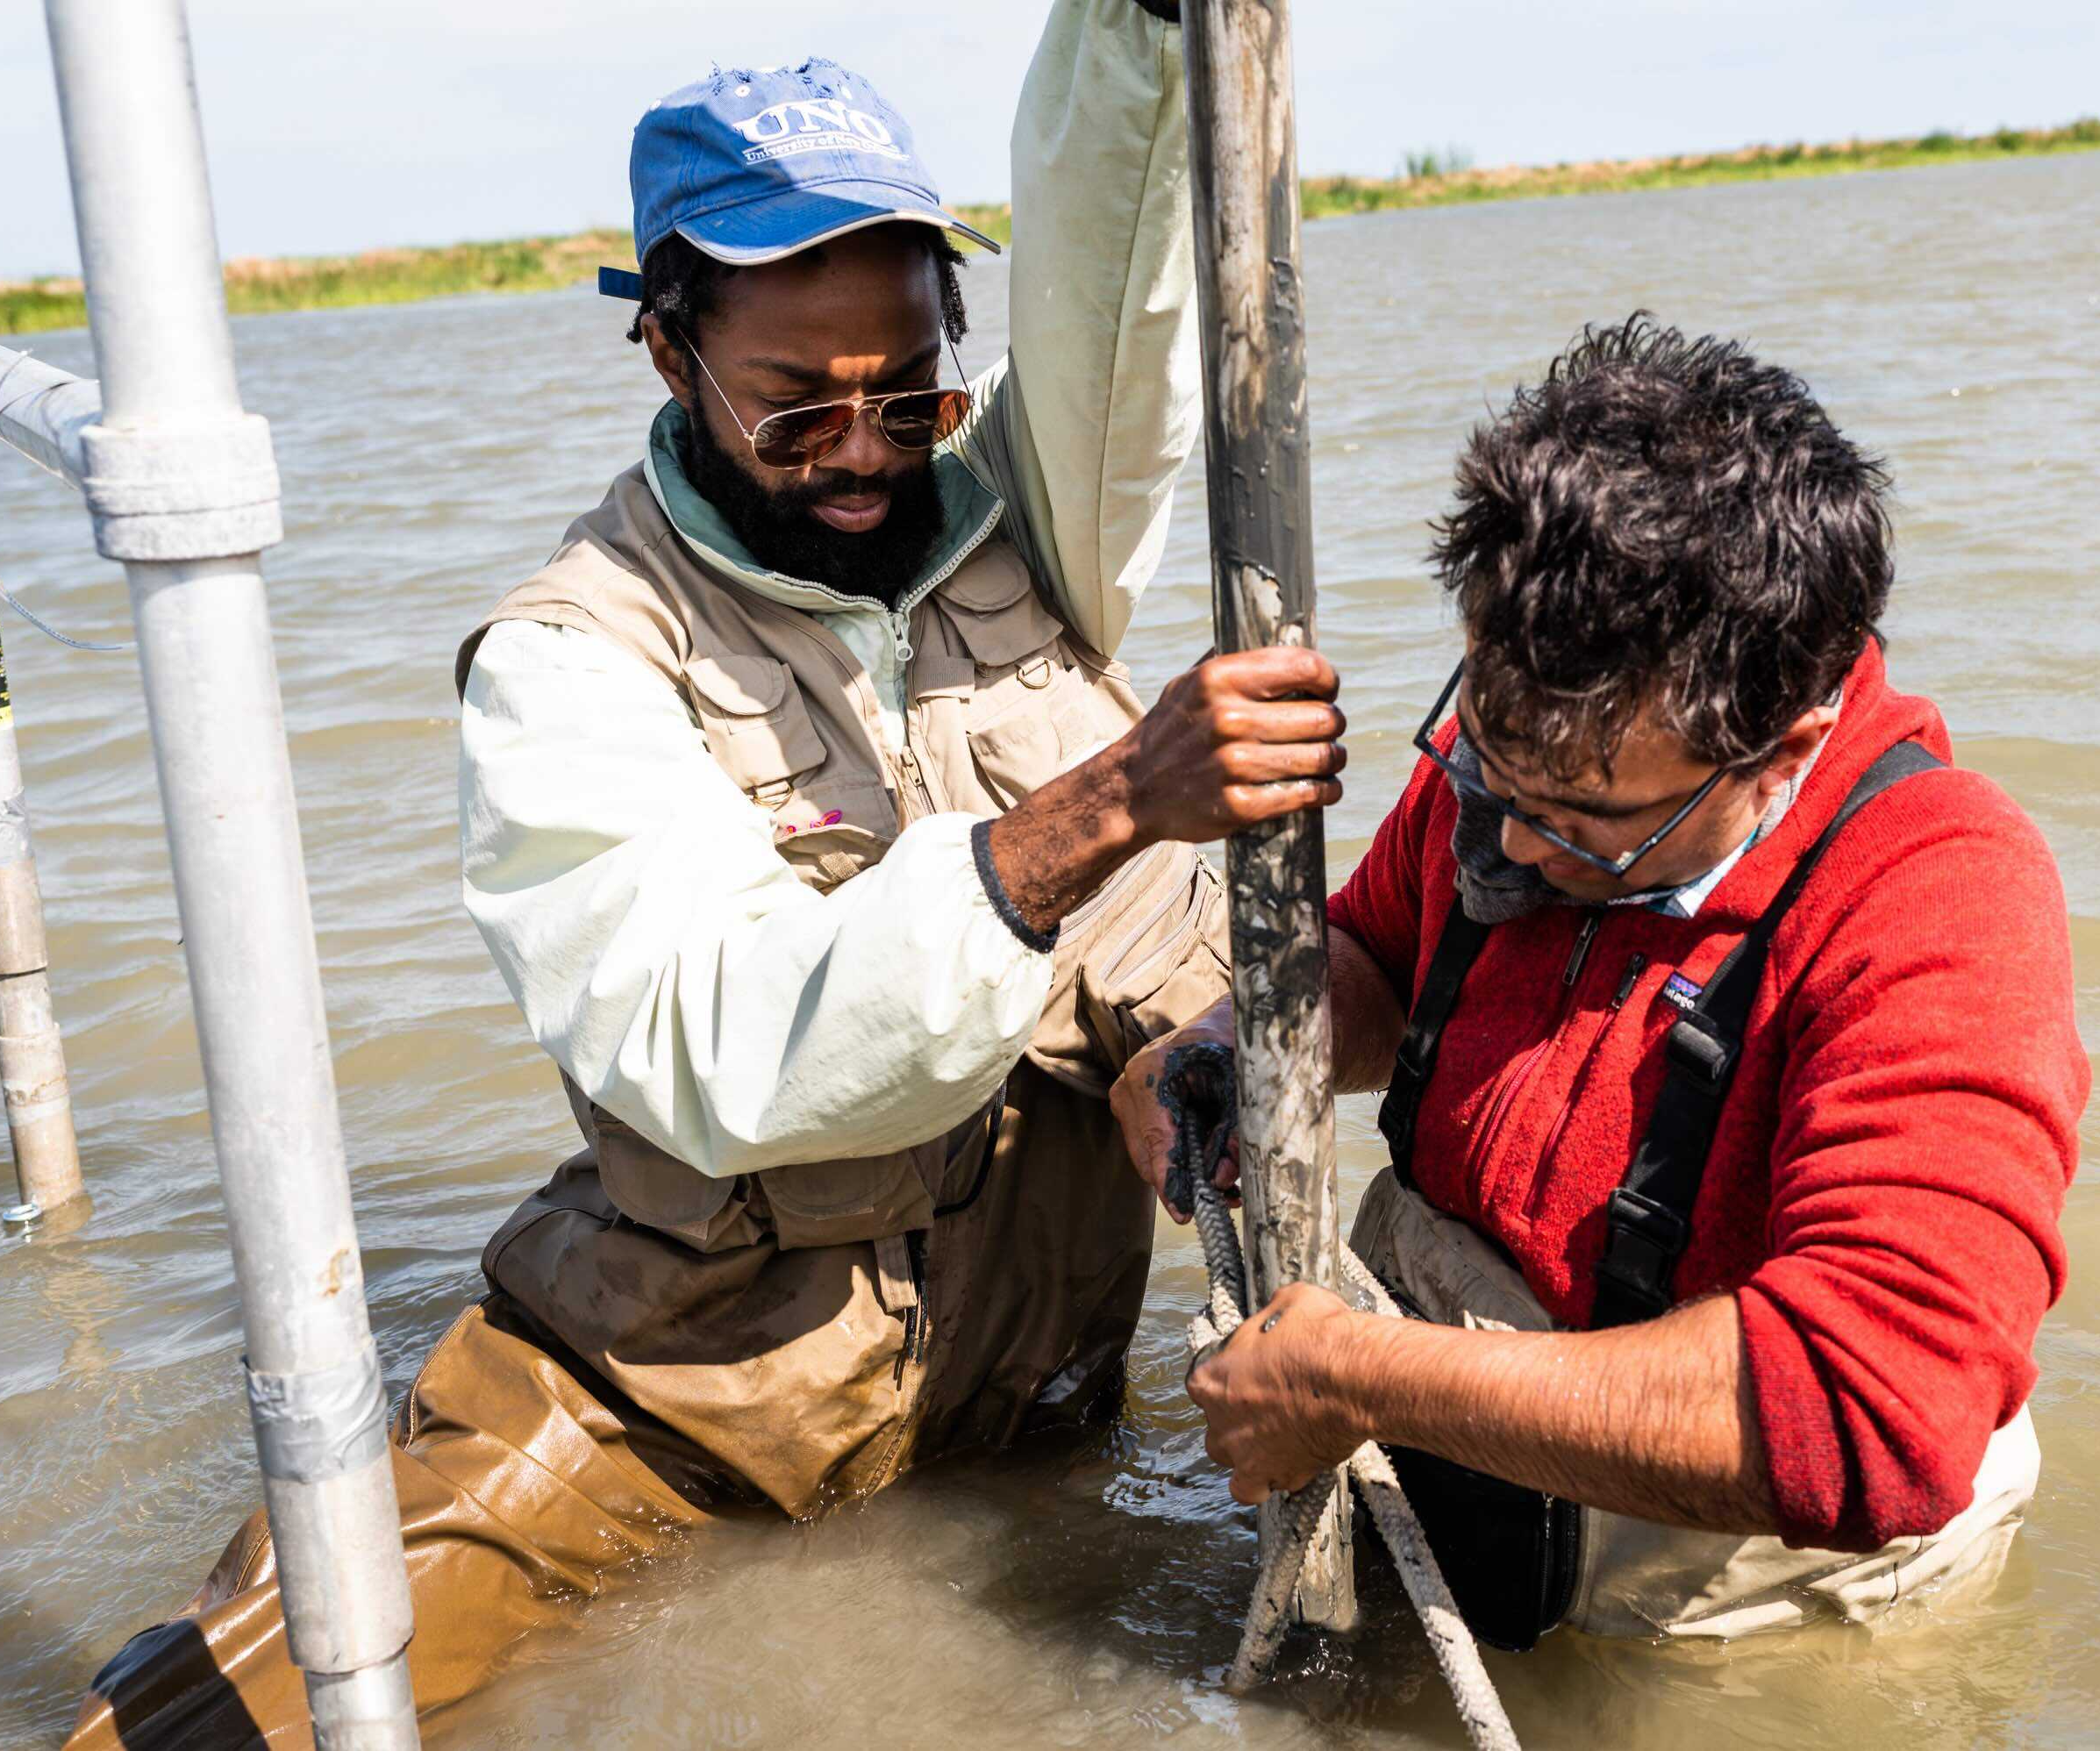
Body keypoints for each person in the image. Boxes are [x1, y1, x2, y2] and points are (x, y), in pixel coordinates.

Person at [68, 4, 1348, 1744]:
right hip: (661, 1396)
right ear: (672, 358)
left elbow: (1111, 274)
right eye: (796, 408)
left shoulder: (1014, 531)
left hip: (1023, 1393)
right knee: (215, 1714)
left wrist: (1146, 27)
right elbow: (717, 1047)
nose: (867, 452)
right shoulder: (568, 660)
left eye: (908, 393)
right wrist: (1104, 802)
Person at [1117, 317, 2089, 1650]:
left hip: (1750, 1605)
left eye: (1580, 821)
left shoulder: (1943, 894)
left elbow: (1869, 1411)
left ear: (1783, 739)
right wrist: (1228, 1048)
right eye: (1489, 775)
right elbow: (1384, 960)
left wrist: (1364, 1375)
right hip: (1450, 1437)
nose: (1509, 846)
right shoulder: (1536, 745)